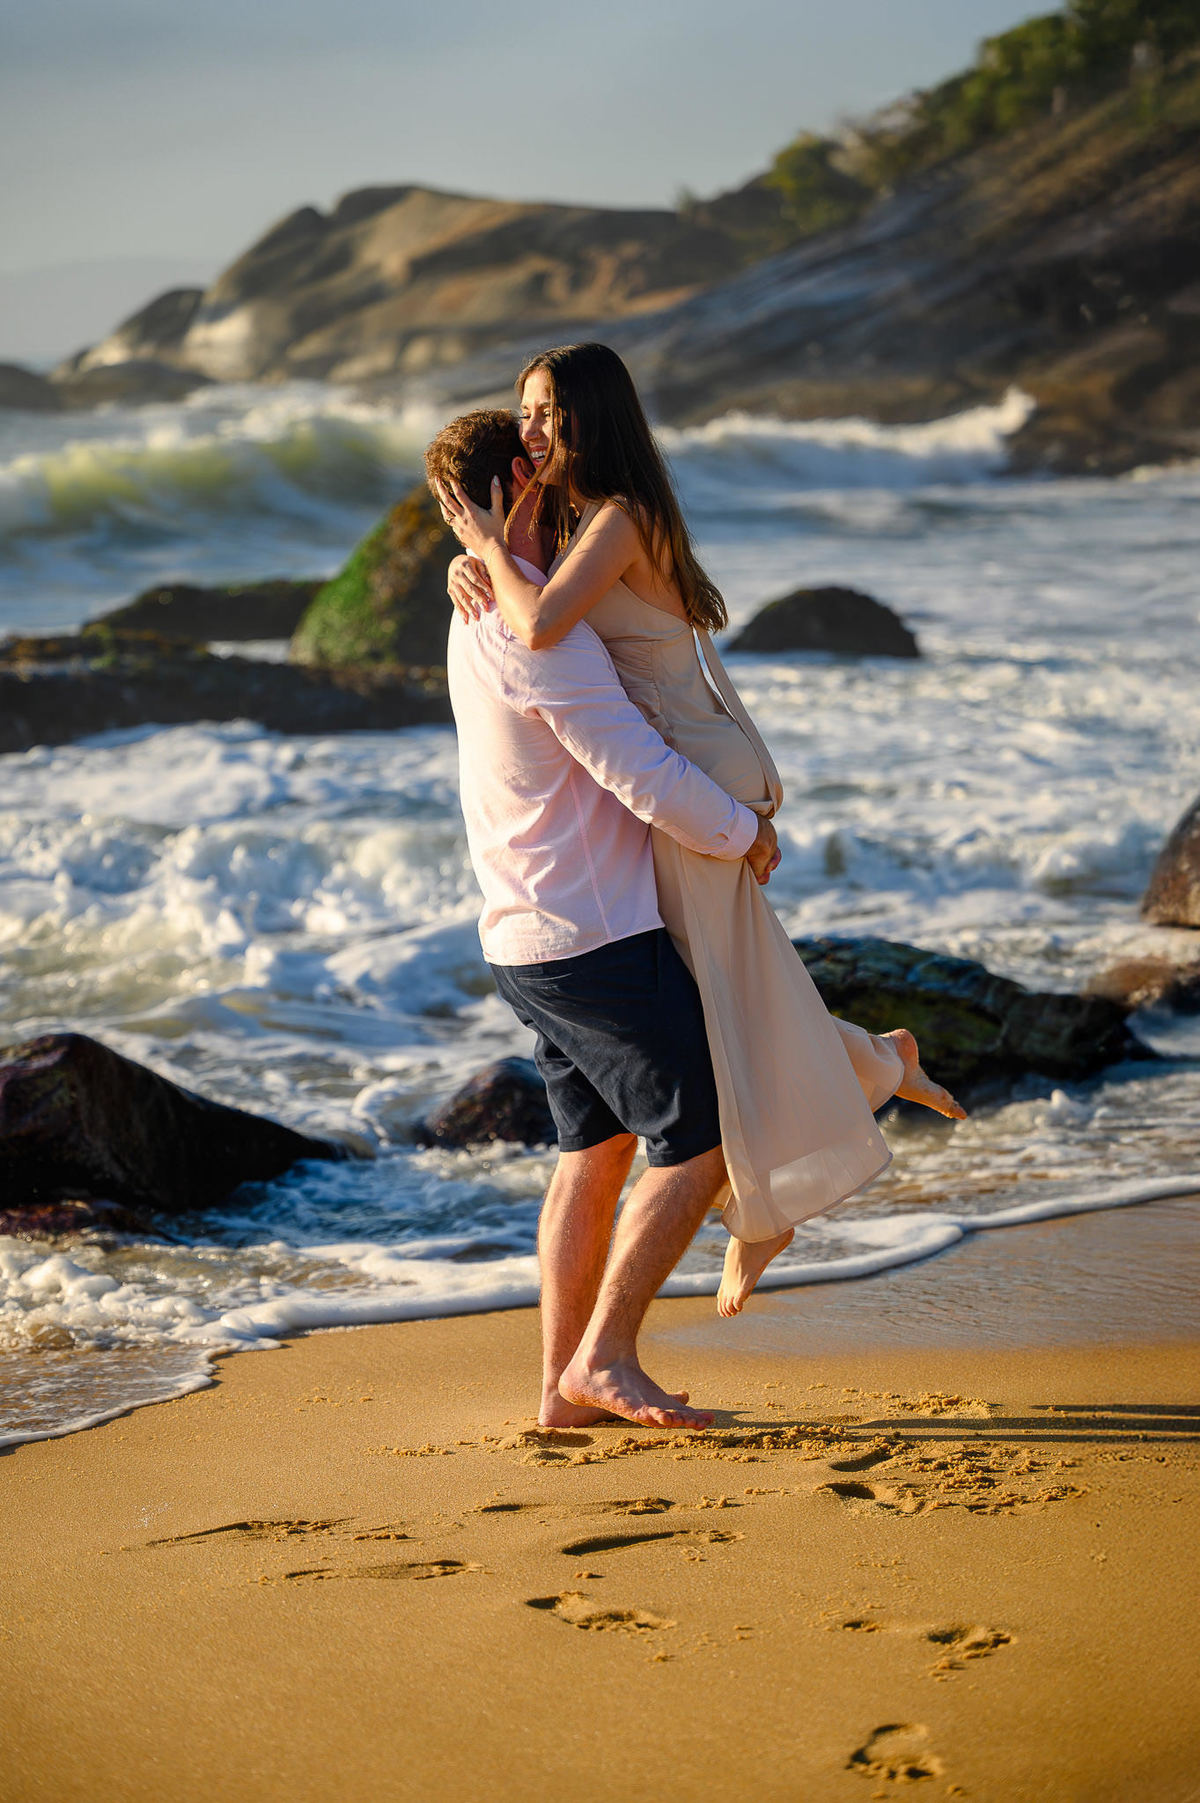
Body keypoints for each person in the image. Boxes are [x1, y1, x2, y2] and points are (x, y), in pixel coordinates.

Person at [435, 343, 965, 1320]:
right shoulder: (579, 520)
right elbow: (529, 597)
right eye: (524, 413)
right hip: (685, 775)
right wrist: (470, 564)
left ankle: (771, 1201)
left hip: (696, 777)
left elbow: (539, 625)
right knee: (730, 995)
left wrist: (482, 549)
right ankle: (874, 1071)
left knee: (732, 999)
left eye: (548, 411)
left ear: (592, 414)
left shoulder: (619, 516)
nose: (531, 430)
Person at [426, 407, 779, 1431]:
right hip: (592, 937)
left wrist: (475, 558)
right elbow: (640, 772)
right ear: (519, 484)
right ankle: (606, 1359)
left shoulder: (475, 606)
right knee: (700, 1137)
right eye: (539, 455)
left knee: (594, 1152)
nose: (559, 464)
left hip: (525, 935)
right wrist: (742, 832)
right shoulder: (537, 633)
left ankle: (559, 1389)